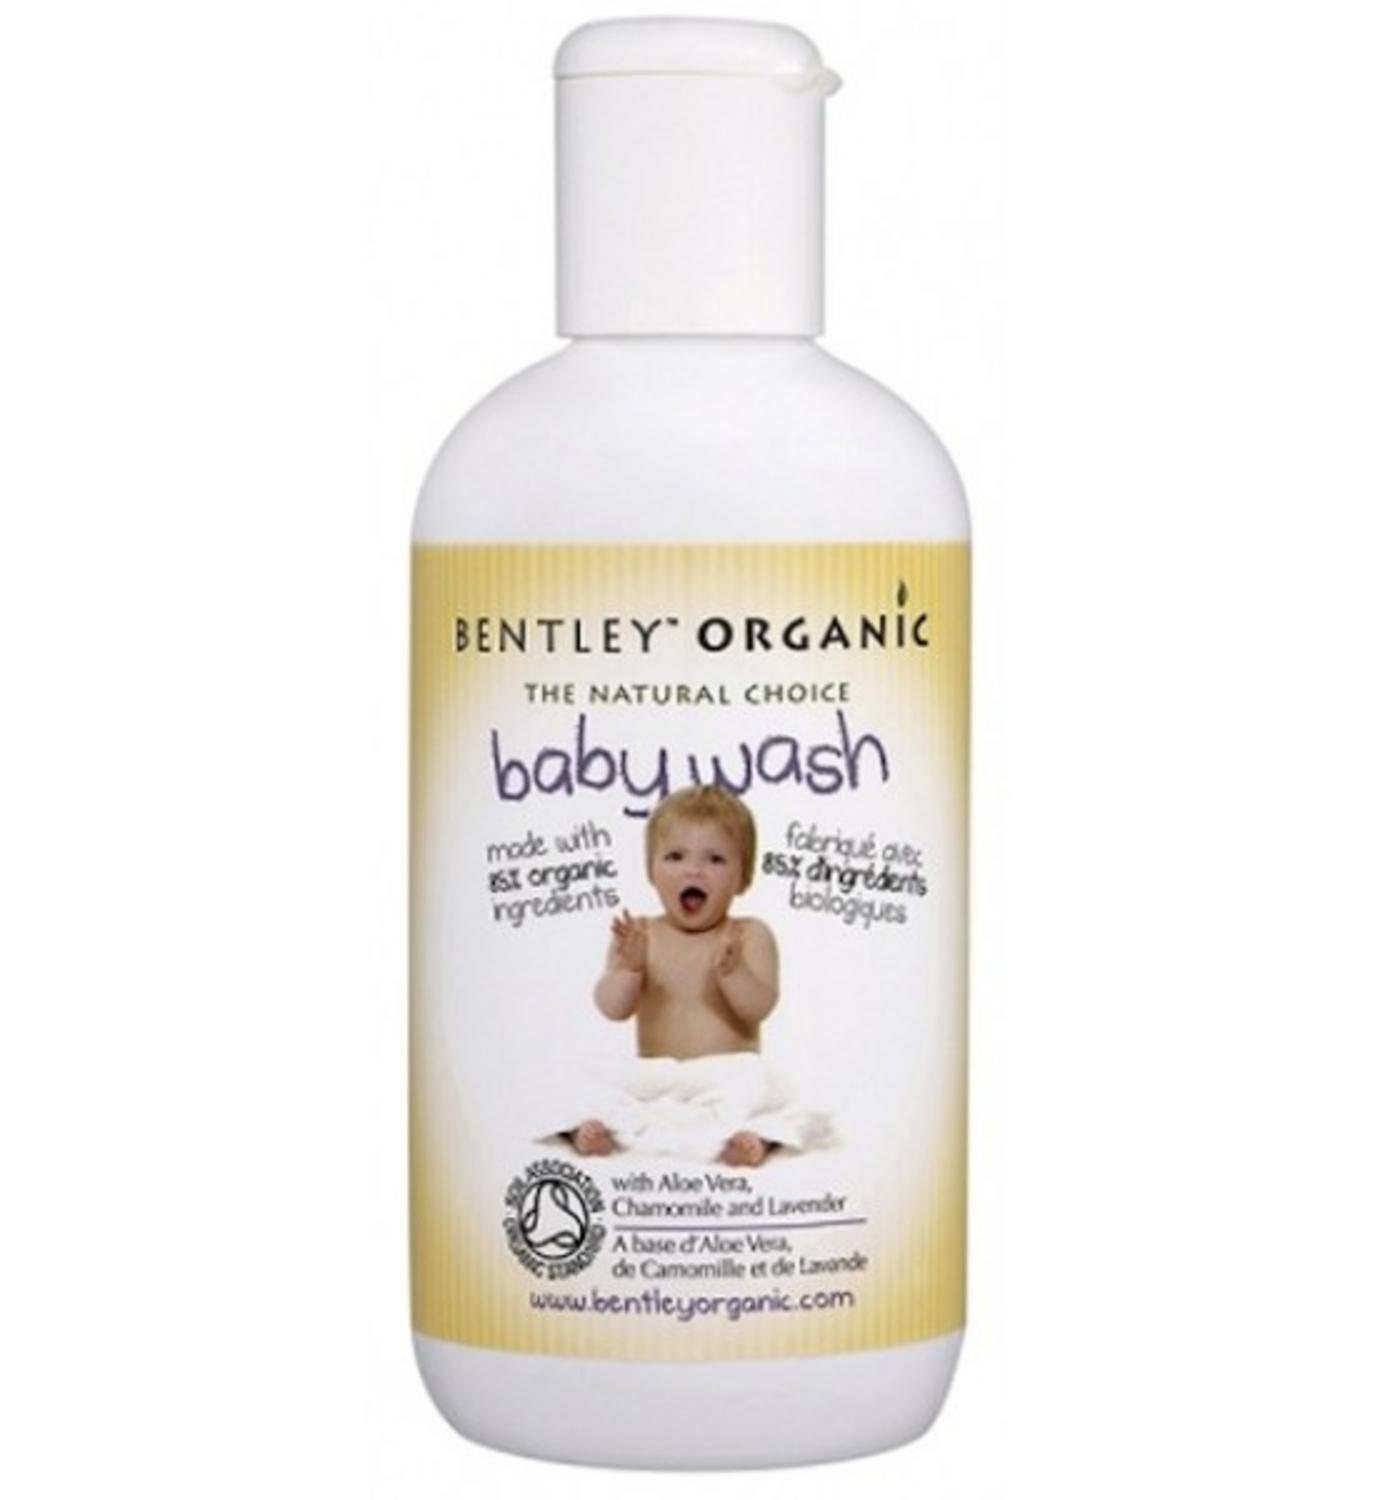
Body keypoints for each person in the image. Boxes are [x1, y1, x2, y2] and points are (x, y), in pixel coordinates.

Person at [575, 784, 781, 1166]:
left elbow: (759, 1007)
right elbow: (612, 1008)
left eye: (715, 859)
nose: (693, 869)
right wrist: (630, 968)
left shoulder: (749, 935)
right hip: (656, 1082)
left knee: (765, 1083)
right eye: (675, 856)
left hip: (724, 1079)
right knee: (585, 1073)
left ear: (743, 876)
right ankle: (609, 1131)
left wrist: (733, 971)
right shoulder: (638, 935)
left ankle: (746, 1139)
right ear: (651, 870)